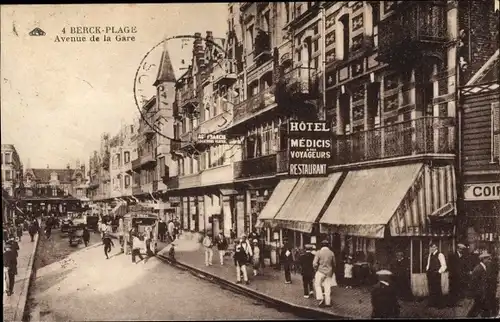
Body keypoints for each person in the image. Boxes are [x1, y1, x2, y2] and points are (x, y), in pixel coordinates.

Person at [467, 252, 493, 317]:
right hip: (479, 293)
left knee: (482, 308)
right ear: (483, 259)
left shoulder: (484, 267)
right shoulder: (478, 268)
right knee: (476, 308)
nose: (489, 261)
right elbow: (473, 282)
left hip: (483, 292)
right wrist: (476, 293)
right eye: (488, 259)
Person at [313, 239, 336, 308]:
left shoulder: (318, 252)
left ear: (321, 245)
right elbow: (334, 264)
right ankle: (328, 302)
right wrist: (332, 271)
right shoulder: (331, 253)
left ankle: (320, 298)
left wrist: (315, 269)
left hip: (320, 271)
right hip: (329, 272)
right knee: (327, 287)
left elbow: (314, 263)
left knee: (317, 284)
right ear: (328, 245)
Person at [426, 242, 447, 308]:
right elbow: (428, 264)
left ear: (436, 247)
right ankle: (432, 303)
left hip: (436, 274)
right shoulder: (430, 255)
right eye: (431, 247)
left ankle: (440, 305)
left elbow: (444, 266)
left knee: (437, 289)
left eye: (434, 247)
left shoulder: (440, 255)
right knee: (431, 288)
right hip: (430, 274)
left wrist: (438, 272)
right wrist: (427, 269)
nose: (432, 248)